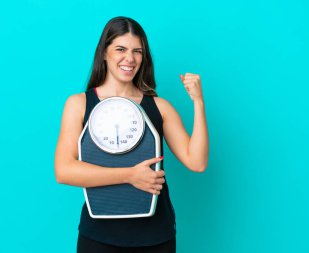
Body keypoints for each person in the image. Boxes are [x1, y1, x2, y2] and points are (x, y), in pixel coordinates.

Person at [54, 16, 209, 253]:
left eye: (137, 51)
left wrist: (198, 102)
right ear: (104, 53)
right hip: (98, 236)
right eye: (120, 49)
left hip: (156, 237)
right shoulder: (79, 105)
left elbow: (197, 162)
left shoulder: (159, 107)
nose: (130, 58)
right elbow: (64, 171)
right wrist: (130, 175)